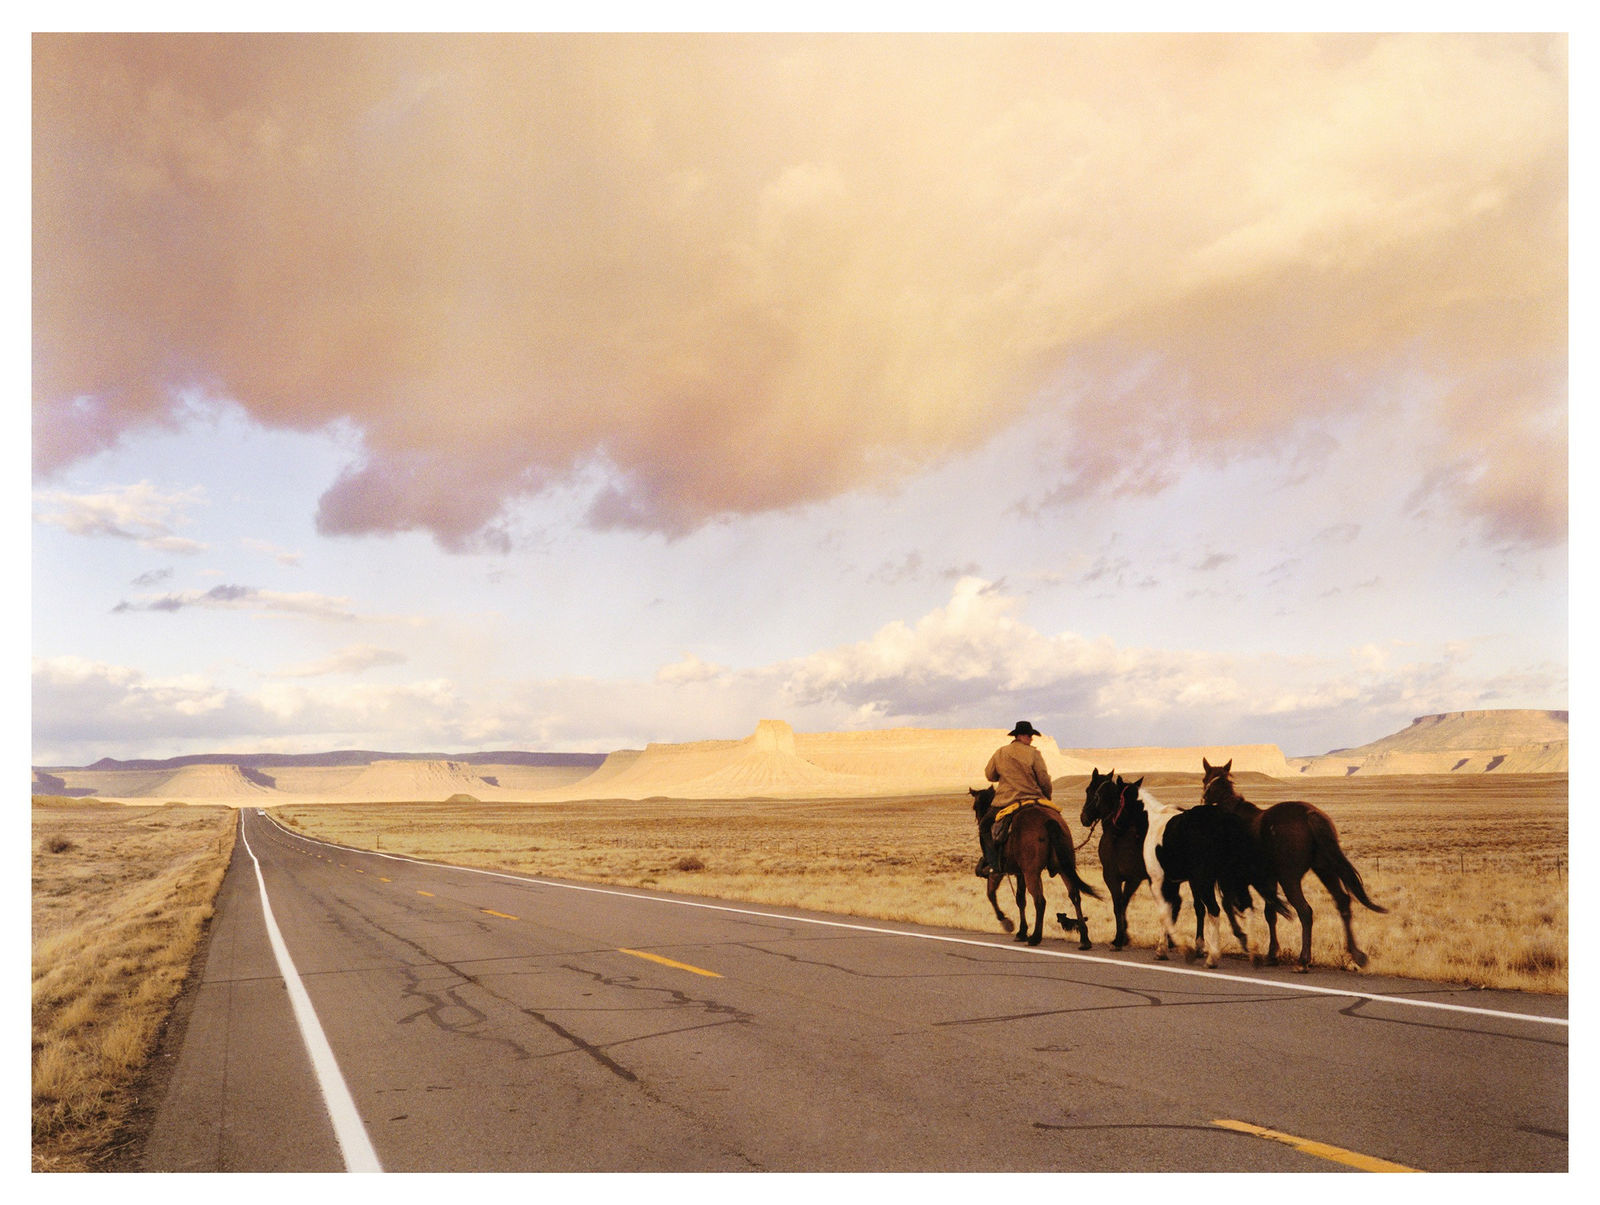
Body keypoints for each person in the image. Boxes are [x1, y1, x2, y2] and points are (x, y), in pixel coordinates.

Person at [976, 720, 1063, 875]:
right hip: (1034, 798)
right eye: (1029, 736)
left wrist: (1006, 775)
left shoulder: (1000, 752)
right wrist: (1047, 798)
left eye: (1031, 736)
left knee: (984, 826)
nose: (1031, 739)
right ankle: (1058, 859)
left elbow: (990, 775)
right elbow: (1043, 778)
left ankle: (993, 864)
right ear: (1021, 736)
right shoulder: (1034, 754)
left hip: (1006, 801)